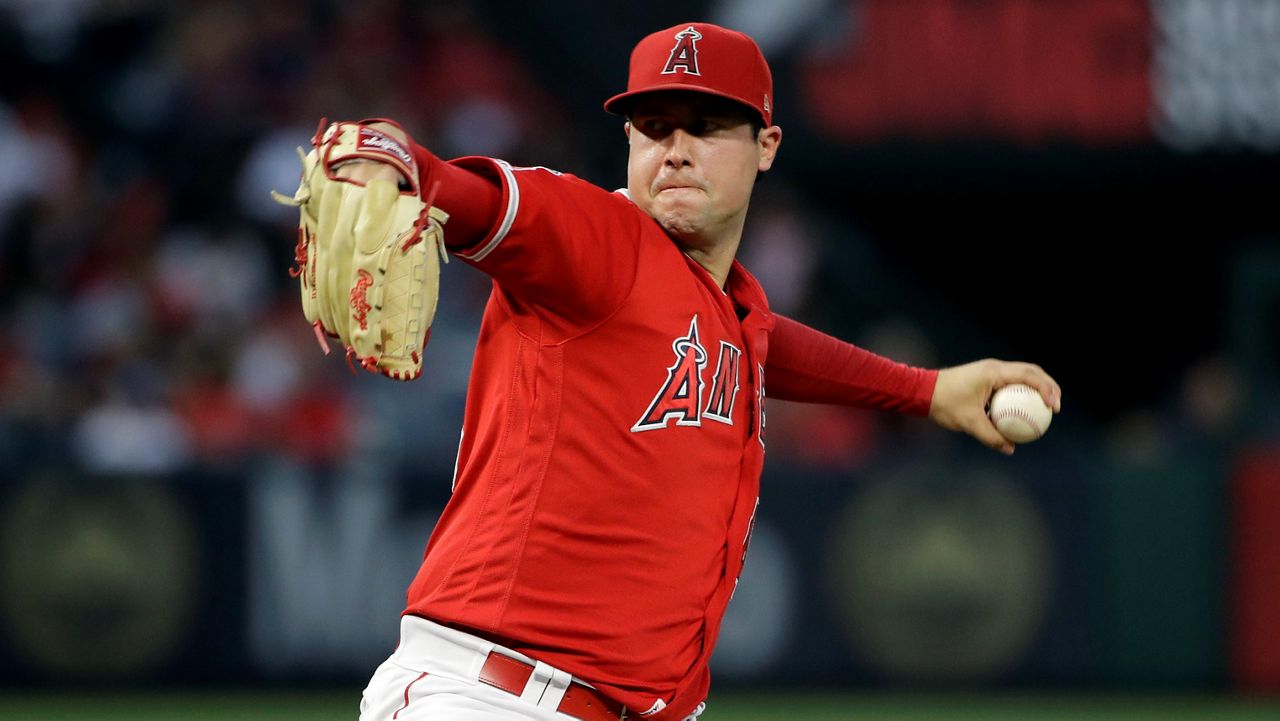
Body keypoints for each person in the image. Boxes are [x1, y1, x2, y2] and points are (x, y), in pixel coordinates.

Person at [338, 22, 1060, 721]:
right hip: (491, 697)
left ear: (766, 145)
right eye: (654, 127)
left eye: (706, 126)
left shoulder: (725, 307)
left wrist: (926, 390)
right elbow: (480, 200)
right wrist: (399, 164)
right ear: (628, 142)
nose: (676, 151)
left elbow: (769, 345)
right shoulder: (598, 243)